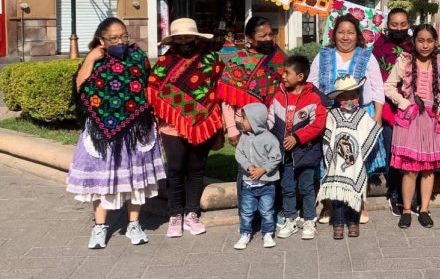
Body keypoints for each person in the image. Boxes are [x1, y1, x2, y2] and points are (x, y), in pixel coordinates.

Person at [67, 18, 165, 249]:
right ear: (101, 39)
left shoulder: (137, 56)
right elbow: (80, 87)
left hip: (135, 128)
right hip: (102, 131)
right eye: (113, 38)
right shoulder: (95, 59)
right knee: (102, 179)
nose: (120, 41)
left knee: (135, 180)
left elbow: (148, 86)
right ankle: (100, 227)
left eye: (123, 36)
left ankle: (134, 223)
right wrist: (91, 58)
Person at [147, 18, 224, 237]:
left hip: (203, 122)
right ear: (173, 40)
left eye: (188, 37)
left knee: (196, 169)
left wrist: (221, 126)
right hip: (171, 125)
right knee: (176, 168)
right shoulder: (164, 61)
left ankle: (192, 213)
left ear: (196, 37)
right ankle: (175, 214)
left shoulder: (211, 60)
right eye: (179, 38)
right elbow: (153, 89)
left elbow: (218, 91)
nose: (184, 41)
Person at [308, 14, 385, 224]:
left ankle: (360, 204)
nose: (345, 37)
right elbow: (311, 85)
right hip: (330, 116)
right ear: (334, 34)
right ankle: (329, 204)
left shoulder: (367, 56)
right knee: (330, 159)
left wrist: (376, 118)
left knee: (357, 160)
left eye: (350, 32)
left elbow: (378, 89)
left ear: (357, 35)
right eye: (341, 32)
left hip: (361, 116)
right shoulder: (323, 56)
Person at [385, 24, 440, 229]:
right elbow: (388, 86)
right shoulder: (405, 61)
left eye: (429, 41)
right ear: (413, 42)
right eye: (420, 40)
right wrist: (404, 103)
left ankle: (424, 209)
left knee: (429, 169)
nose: (425, 45)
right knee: (409, 169)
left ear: (436, 42)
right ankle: (407, 210)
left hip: (433, 120)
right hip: (410, 120)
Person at [269, 55, 327, 240]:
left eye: (287, 73)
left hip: (306, 152)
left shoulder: (314, 97)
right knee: (287, 187)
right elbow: (271, 119)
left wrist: (297, 137)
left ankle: (309, 219)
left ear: (300, 76)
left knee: (306, 187)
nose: (283, 76)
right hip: (284, 153)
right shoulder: (278, 95)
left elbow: (318, 124)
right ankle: (290, 219)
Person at [318, 76, 382, 240]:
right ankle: (338, 223)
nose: (350, 100)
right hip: (336, 163)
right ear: (339, 98)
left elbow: (370, 133)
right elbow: (327, 140)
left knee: (355, 192)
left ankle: (353, 222)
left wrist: (360, 156)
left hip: (355, 163)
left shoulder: (362, 115)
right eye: (345, 97)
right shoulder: (332, 115)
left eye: (353, 96)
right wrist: (329, 158)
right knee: (338, 193)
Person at [217, 16, 285, 148]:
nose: (268, 39)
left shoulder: (279, 57)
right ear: (249, 38)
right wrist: (232, 129)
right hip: (244, 125)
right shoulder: (239, 60)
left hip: (272, 123)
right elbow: (227, 100)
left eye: (270, 34)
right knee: (248, 167)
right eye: (262, 36)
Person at [372, 8, 414, 217]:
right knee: (391, 152)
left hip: (413, 110)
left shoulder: (415, 47)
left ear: (409, 24)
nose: (399, 28)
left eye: (403, 24)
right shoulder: (378, 48)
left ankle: (411, 196)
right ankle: (394, 193)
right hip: (388, 108)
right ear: (388, 25)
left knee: (411, 153)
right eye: (394, 24)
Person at [233, 103, 282, 250]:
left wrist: (263, 169)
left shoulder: (270, 139)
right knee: (246, 211)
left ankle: (267, 233)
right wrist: (248, 166)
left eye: (245, 119)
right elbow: (239, 153)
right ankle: (245, 233)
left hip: (266, 185)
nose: (242, 122)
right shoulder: (244, 137)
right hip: (248, 184)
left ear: (255, 120)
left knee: (267, 211)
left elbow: (276, 157)